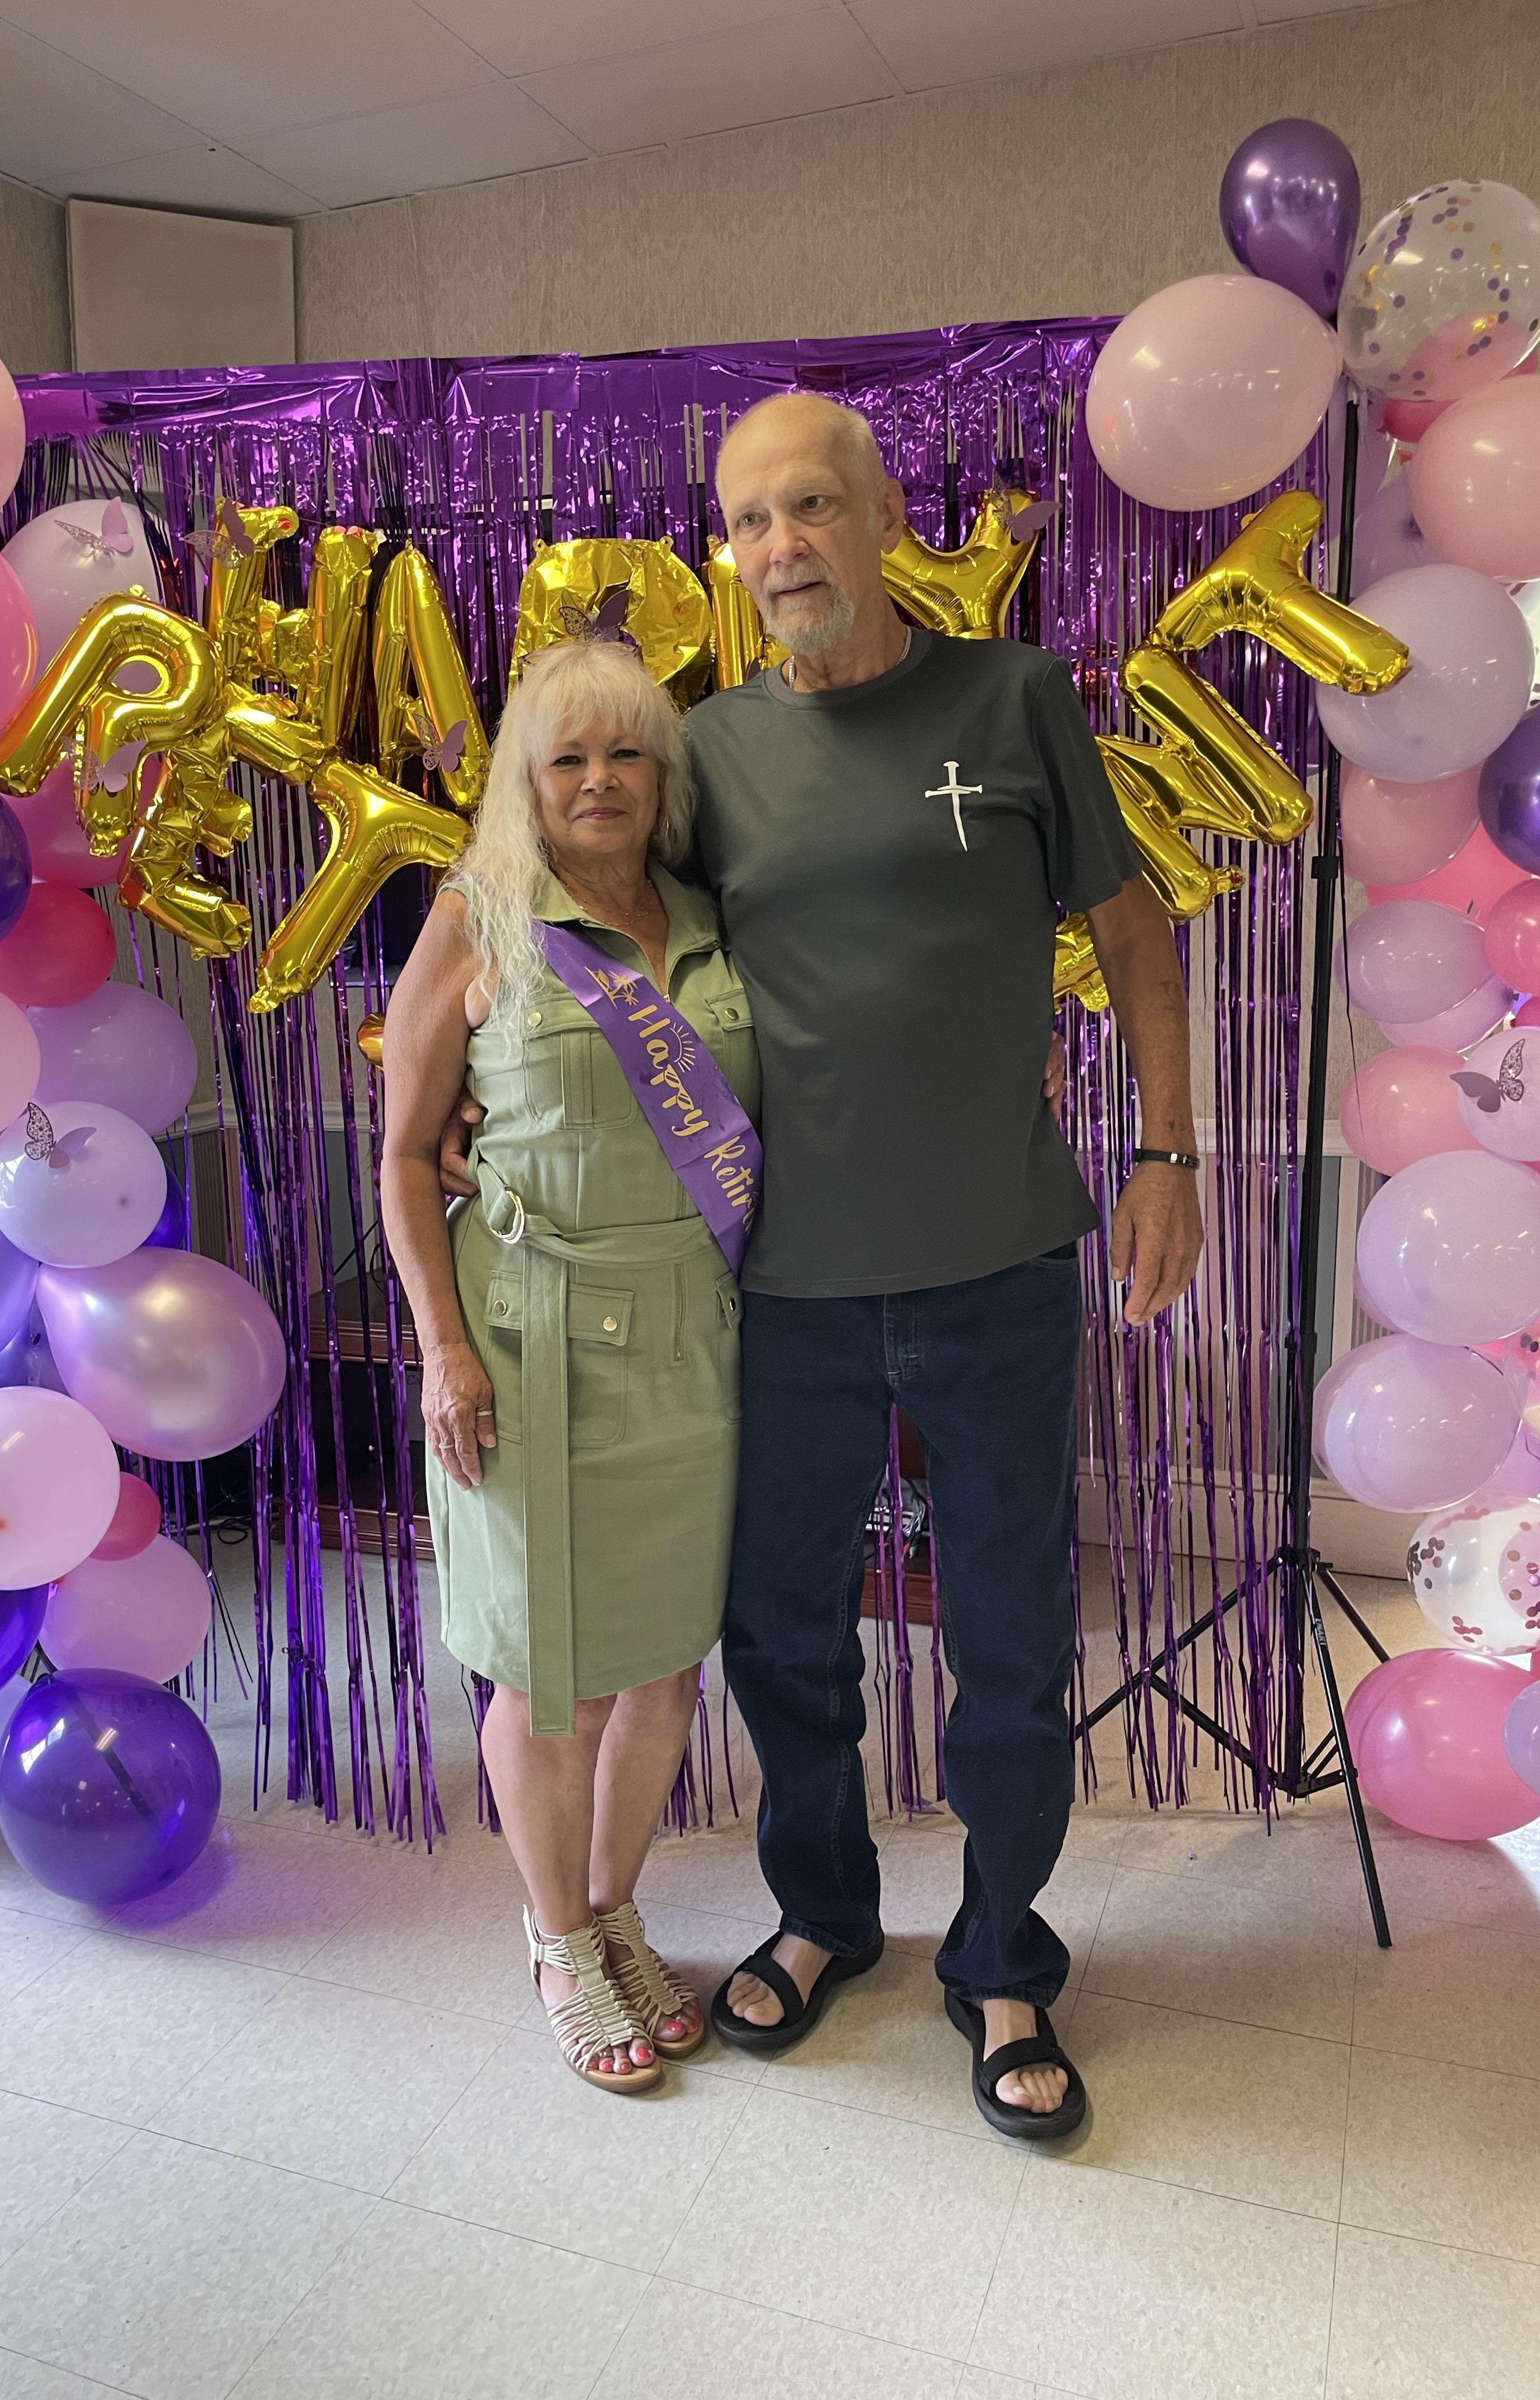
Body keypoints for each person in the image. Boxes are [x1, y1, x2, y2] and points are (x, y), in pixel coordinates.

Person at [686, 392, 1203, 2138]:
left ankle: (999, 1957)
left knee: (1005, 1633)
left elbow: (1132, 935)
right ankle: (828, 1910)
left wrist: (1163, 1150)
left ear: (887, 516)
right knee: (782, 1637)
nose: (779, 551)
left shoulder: (1015, 696)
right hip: (782, 1290)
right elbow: (610, 963)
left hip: (996, 1268)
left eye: (811, 508)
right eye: (749, 522)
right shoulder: (700, 755)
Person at [380, 639, 760, 2093]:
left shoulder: (712, 918)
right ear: (525, 784)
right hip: (526, 1348)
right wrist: (440, 1350)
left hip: (691, 1338)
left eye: (627, 755)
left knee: (661, 1667)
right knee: (557, 1681)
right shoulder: (479, 922)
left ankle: (611, 1915)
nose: (600, 781)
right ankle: (556, 1940)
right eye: (567, 759)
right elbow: (411, 1156)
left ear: (662, 780)